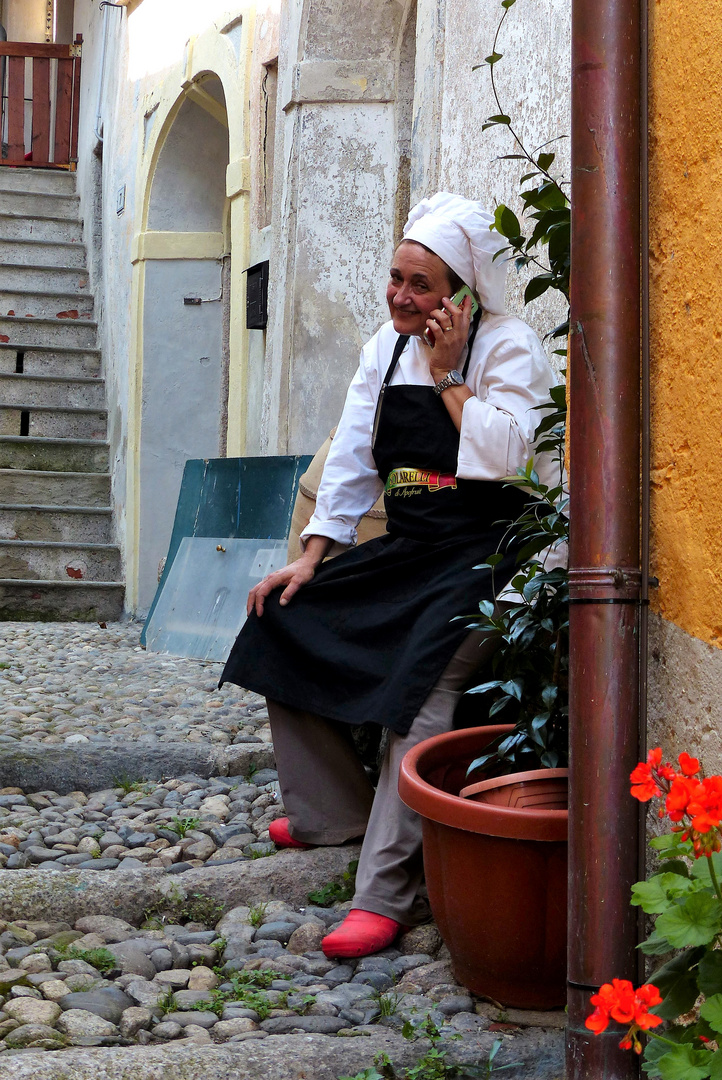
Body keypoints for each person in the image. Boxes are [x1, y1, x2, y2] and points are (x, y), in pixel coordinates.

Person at [220, 192, 560, 959]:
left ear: (463, 295)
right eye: (396, 278)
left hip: (486, 556)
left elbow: (513, 462)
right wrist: (311, 555)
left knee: (424, 685)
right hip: (410, 549)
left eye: (422, 285)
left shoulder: (510, 350)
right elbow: (350, 455)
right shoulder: (386, 346)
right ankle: (330, 813)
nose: (402, 297)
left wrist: (448, 378)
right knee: (283, 618)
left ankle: (385, 892)